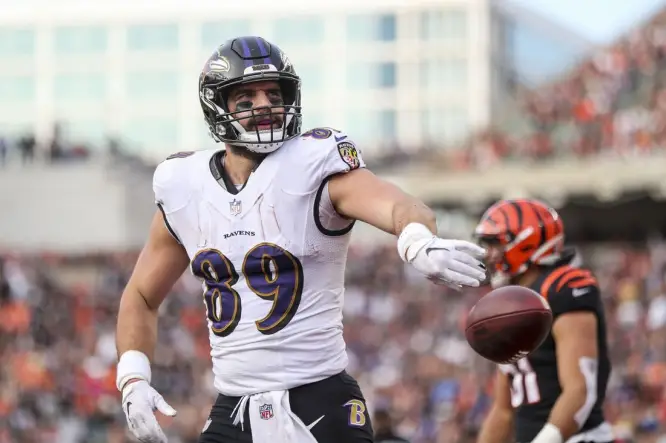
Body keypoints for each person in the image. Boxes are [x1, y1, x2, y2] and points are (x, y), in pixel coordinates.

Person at [114, 36, 487, 443]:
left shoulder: (313, 164)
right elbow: (141, 296)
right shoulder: (184, 185)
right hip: (233, 408)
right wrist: (133, 377)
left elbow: (400, 205)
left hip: (320, 400)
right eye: (246, 97)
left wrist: (416, 238)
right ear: (216, 107)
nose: (264, 105)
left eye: (273, 93)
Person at [473, 199, 613, 443]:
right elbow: (504, 411)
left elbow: (580, 391)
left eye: (495, 244)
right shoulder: (509, 301)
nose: (489, 254)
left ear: (525, 244)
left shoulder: (562, 287)